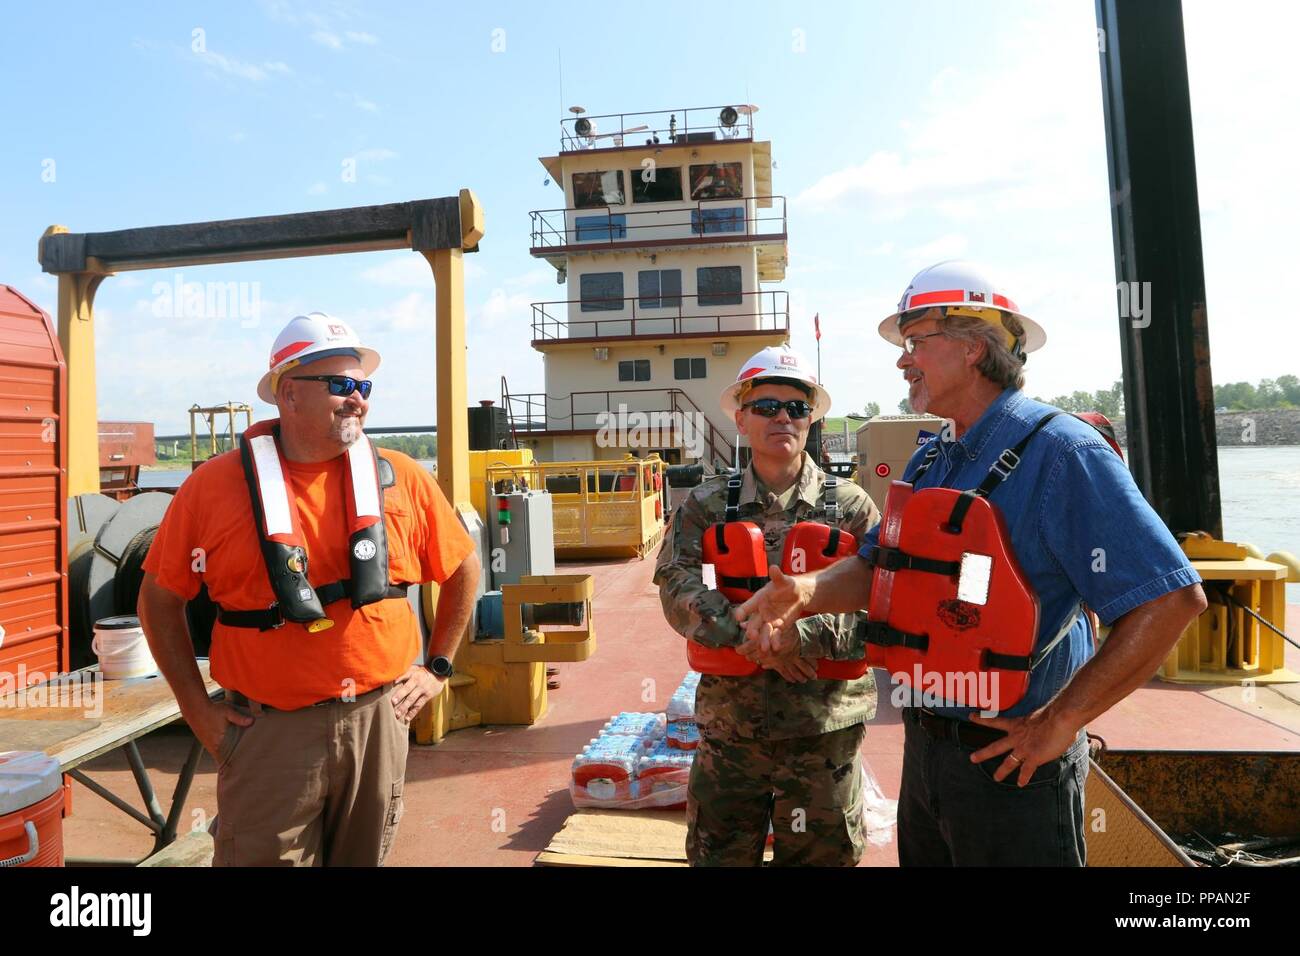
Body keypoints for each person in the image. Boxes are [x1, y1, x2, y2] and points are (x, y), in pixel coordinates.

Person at [736, 261, 1207, 866]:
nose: (903, 361)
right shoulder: (933, 458)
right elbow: (879, 565)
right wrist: (805, 589)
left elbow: (1169, 597)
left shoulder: (1064, 453)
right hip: (928, 748)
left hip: (1013, 762)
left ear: (975, 348)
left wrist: (1061, 722)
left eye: (915, 343)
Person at [138, 312, 481, 866]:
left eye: (363, 386)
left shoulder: (403, 477)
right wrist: (197, 709)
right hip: (269, 732)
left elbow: (463, 569)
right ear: (288, 393)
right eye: (341, 385)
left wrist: (436, 668)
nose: (358, 399)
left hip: (378, 720)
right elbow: (158, 600)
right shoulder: (211, 488)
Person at [654, 345, 880, 866]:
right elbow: (674, 582)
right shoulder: (707, 506)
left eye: (797, 408)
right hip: (733, 729)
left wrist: (803, 637)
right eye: (767, 405)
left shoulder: (851, 507)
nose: (783, 417)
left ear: (811, 420)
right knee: (720, 856)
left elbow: (885, 603)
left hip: (825, 729)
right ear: (741, 418)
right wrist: (748, 636)